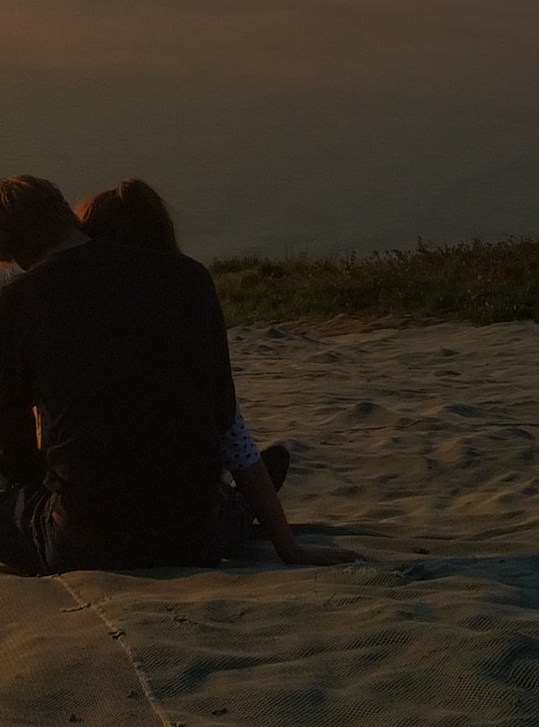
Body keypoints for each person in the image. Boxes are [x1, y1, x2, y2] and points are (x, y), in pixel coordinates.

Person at [0, 172, 357, 578]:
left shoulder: (17, 304)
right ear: (67, 210)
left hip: (83, 542)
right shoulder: (189, 279)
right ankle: (243, 506)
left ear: (4, 254)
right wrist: (289, 548)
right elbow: (224, 418)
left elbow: (5, 450)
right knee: (204, 495)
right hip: (197, 538)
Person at [78, 178, 345, 564]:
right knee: (257, 472)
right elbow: (232, 433)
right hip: (192, 532)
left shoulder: (73, 323)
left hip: (86, 525)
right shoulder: (188, 307)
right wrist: (289, 547)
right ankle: (238, 506)